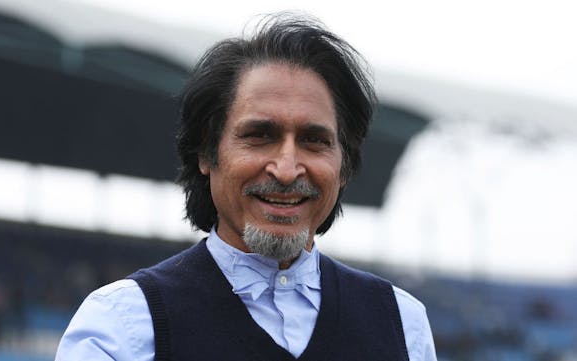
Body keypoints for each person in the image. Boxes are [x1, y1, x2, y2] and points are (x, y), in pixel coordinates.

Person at [55, 13, 437, 361]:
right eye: (259, 135)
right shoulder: (122, 325)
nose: (287, 170)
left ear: (345, 164)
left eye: (314, 140)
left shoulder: (402, 323)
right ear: (206, 153)